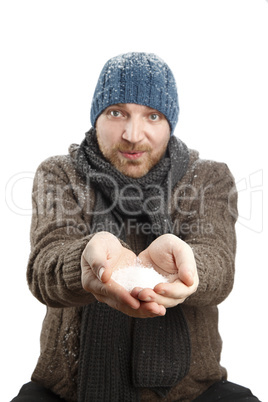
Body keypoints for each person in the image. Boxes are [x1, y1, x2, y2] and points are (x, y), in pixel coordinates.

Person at [11, 52, 260, 402]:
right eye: (117, 113)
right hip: (68, 391)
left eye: (152, 116)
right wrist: (84, 259)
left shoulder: (207, 177)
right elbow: (44, 267)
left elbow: (218, 261)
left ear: (170, 123)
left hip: (191, 391)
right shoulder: (60, 174)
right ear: (97, 116)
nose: (132, 134)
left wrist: (188, 266)